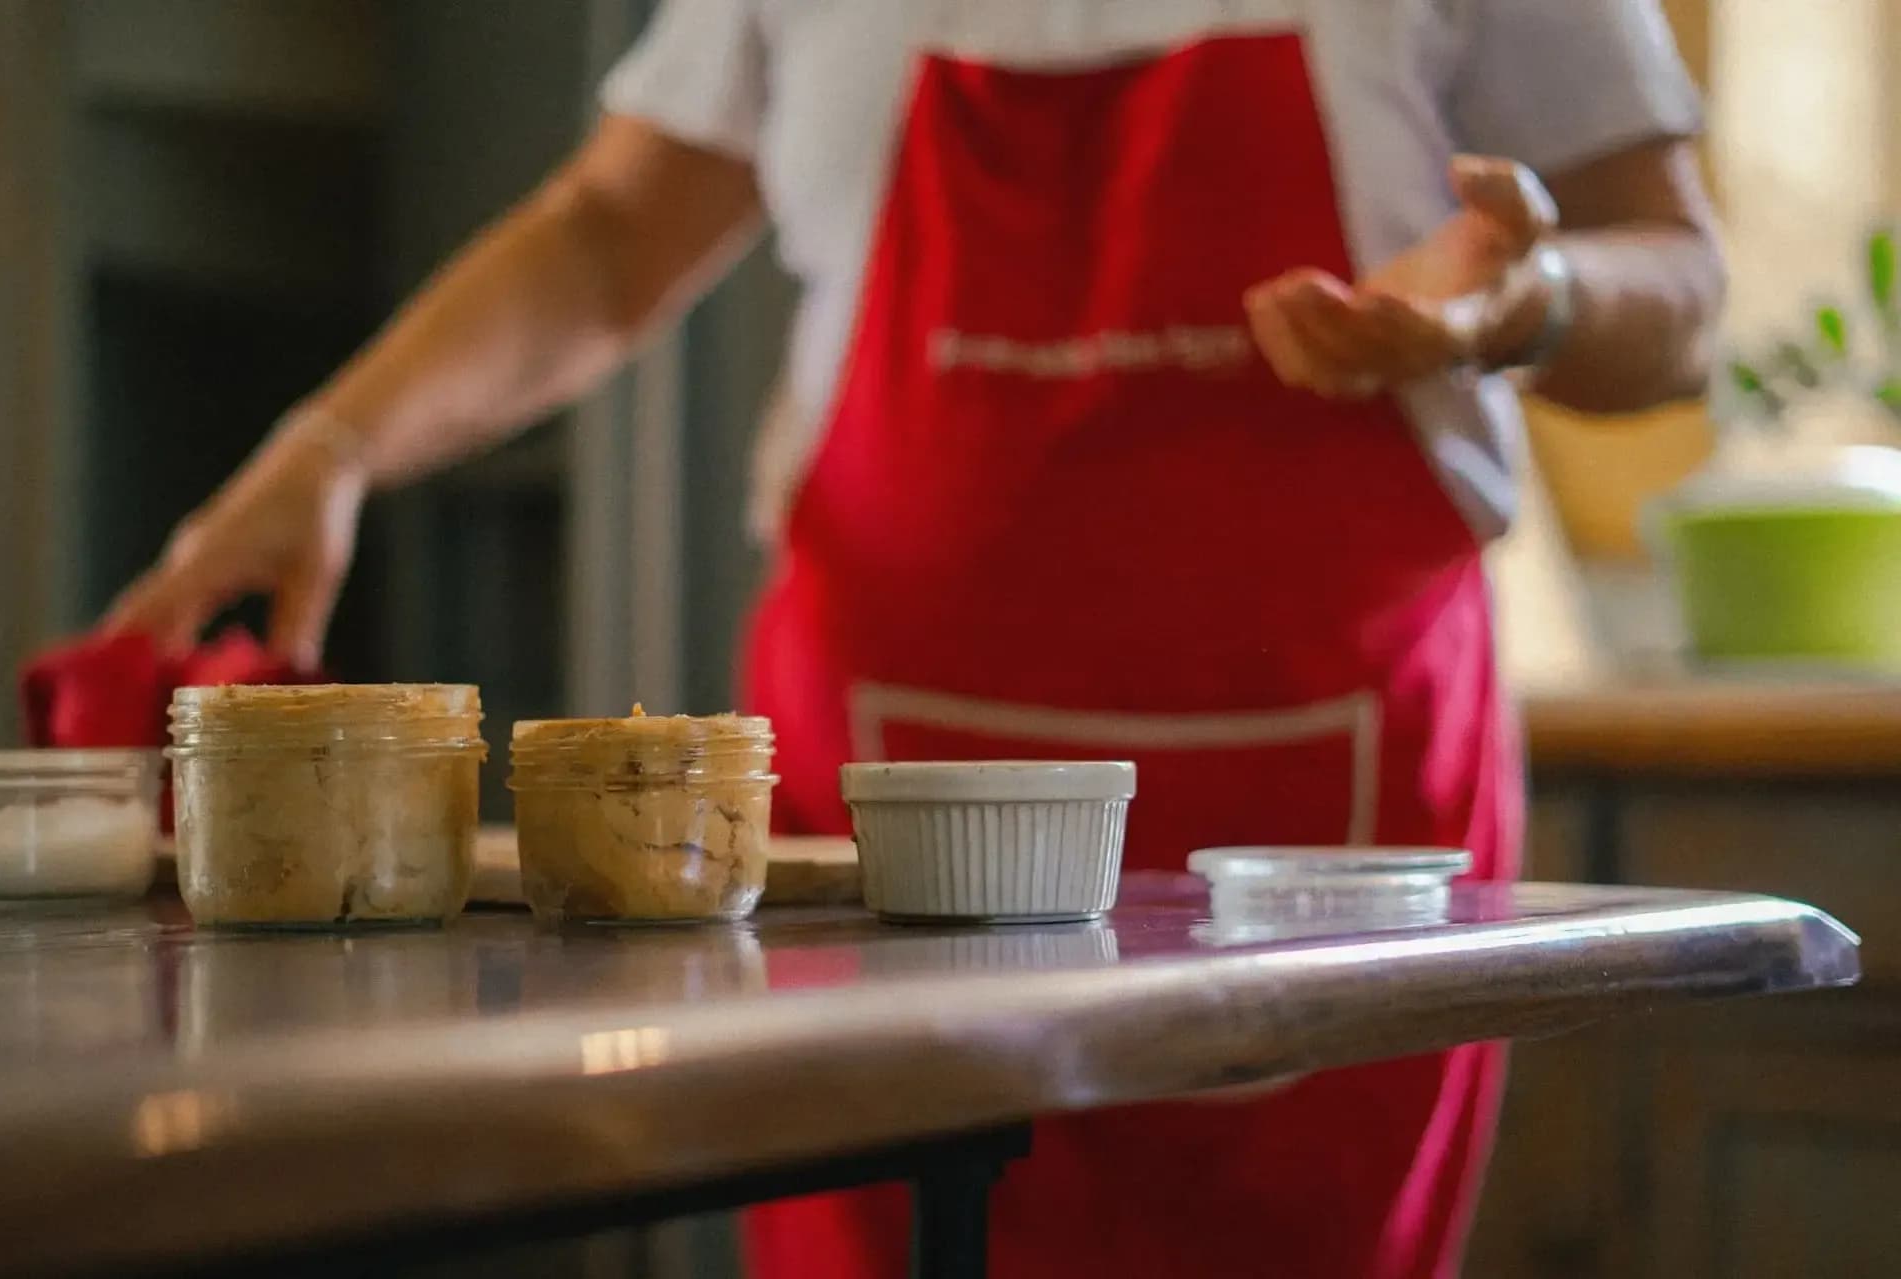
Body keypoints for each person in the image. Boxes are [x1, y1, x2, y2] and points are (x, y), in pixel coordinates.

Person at [107, 2, 1723, 1274]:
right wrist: (334, 446)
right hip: (877, 857)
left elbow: (1682, 279)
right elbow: (610, 234)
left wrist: (1533, 303)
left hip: (1316, 850)